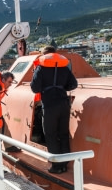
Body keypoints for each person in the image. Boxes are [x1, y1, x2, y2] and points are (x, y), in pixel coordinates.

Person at [30, 46, 78, 174]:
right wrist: (61, 87)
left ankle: (56, 165)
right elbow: (74, 84)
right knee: (63, 134)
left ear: (44, 55)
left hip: (50, 105)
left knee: (50, 135)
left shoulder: (41, 67)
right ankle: (64, 164)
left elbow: (35, 88)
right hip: (64, 104)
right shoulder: (64, 67)